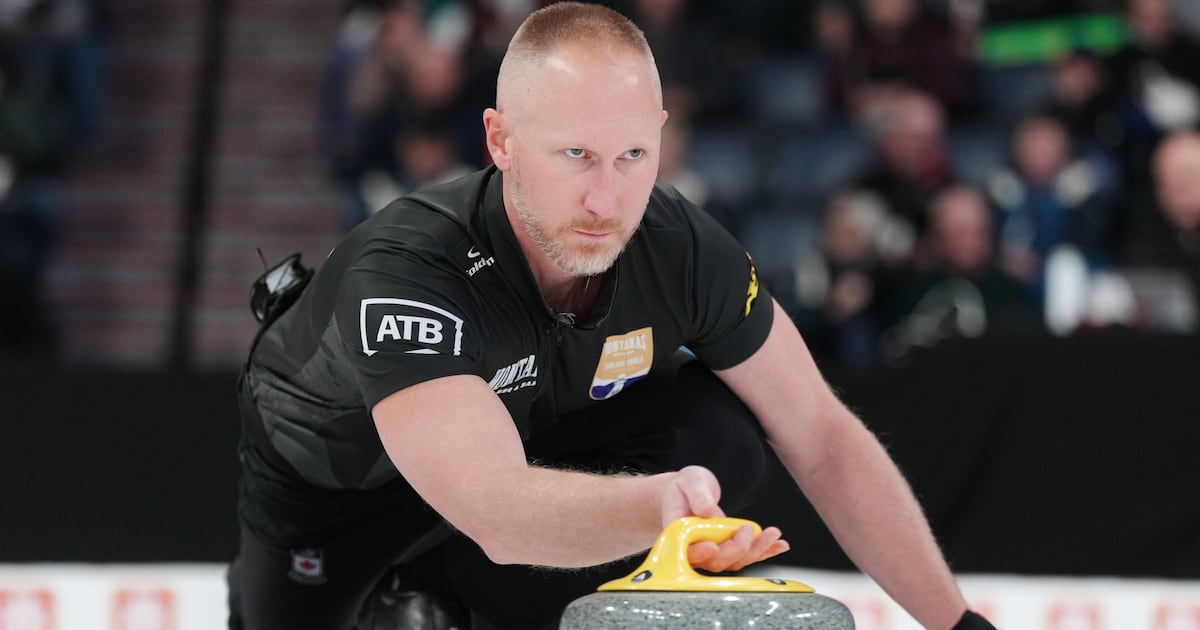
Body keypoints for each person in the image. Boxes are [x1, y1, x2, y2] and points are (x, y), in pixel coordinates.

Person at [227, 3, 998, 630]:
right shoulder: (409, 268)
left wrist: (957, 625)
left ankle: (455, 607)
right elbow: (489, 501)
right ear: (499, 139)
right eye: (575, 157)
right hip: (342, 496)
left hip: (526, 453)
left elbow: (823, 437)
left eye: (633, 155)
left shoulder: (678, 245)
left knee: (722, 436)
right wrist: (656, 506)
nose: (607, 202)